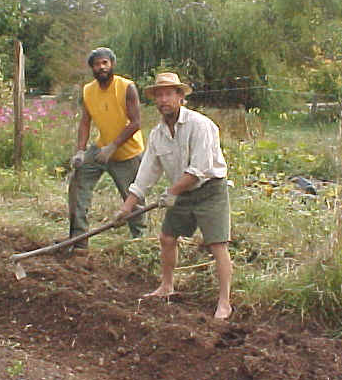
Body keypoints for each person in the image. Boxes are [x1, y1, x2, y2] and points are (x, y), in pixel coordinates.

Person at [117, 72, 233, 319]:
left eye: (169, 94)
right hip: (180, 191)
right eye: (159, 95)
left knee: (217, 244)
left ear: (180, 97)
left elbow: (199, 169)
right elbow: (146, 174)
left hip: (209, 189)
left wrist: (171, 192)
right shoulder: (158, 135)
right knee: (167, 238)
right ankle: (166, 286)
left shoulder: (201, 126)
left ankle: (224, 302)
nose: (163, 100)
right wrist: (127, 207)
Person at [68, 47, 145, 249]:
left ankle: (141, 243)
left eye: (105, 63)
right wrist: (81, 151)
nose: (101, 67)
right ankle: (78, 240)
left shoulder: (126, 87)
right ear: (92, 68)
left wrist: (113, 147)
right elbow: (85, 122)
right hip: (101, 149)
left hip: (128, 153)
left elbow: (136, 123)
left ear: (112, 64)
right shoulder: (88, 91)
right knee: (78, 181)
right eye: (97, 64)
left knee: (133, 198)